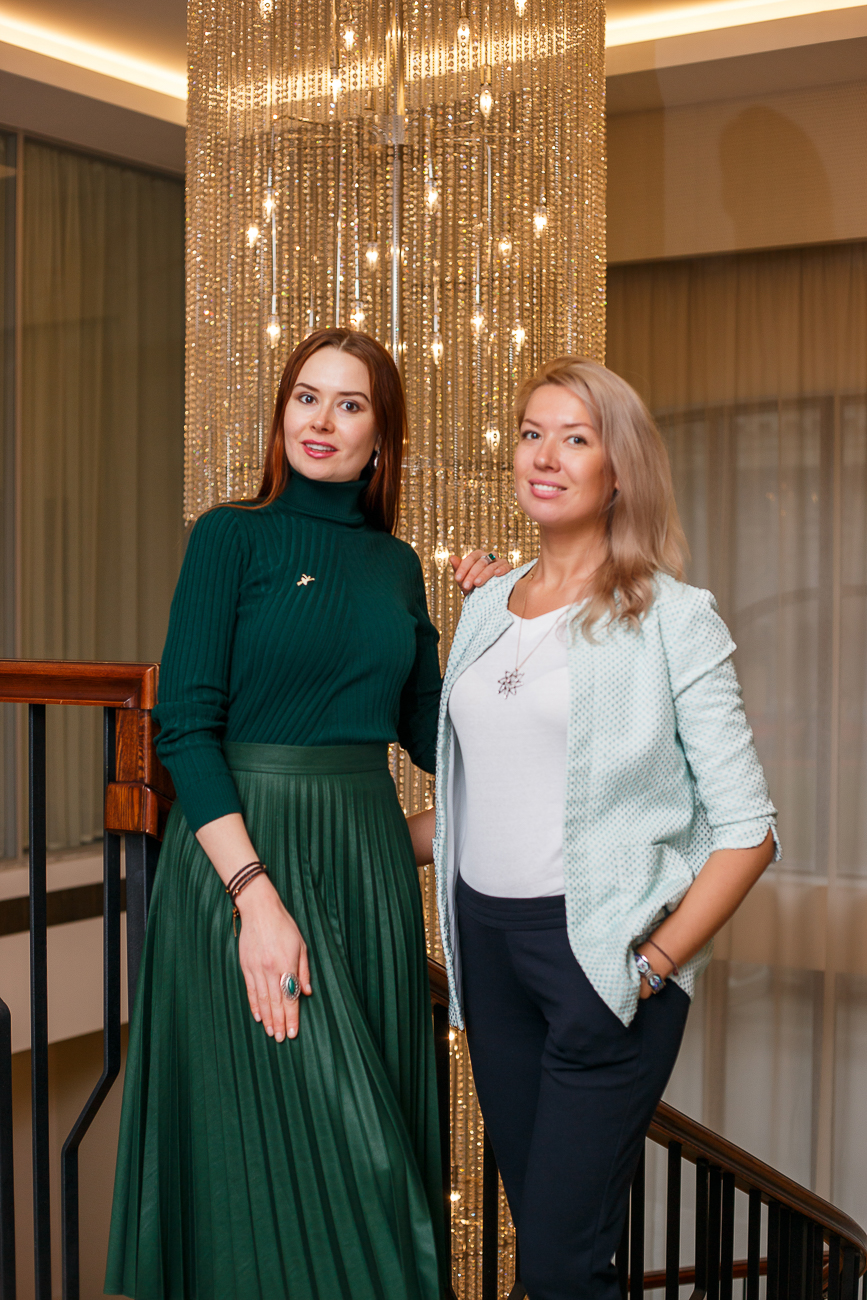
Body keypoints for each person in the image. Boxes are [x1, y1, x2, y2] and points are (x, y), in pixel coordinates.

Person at [105, 327, 509, 1300]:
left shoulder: (397, 565)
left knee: (382, 1170)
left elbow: (440, 738)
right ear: (283, 411)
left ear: (382, 435)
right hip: (242, 875)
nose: (321, 420)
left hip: (366, 882)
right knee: (276, 1173)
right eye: (306, 396)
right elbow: (185, 729)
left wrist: (500, 623)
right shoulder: (229, 537)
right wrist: (254, 898)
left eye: (350, 403)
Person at [408, 356, 779, 1300]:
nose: (544, 456)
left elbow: (749, 831)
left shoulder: (673, 618)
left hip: (600, 957)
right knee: (551, 1241)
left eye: (575, 439)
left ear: (619, 470)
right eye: (532, 433)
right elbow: (488, 796)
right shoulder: (484, 607)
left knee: (557, 1268)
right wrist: (330, 833)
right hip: (486, 954)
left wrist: (649, 966)